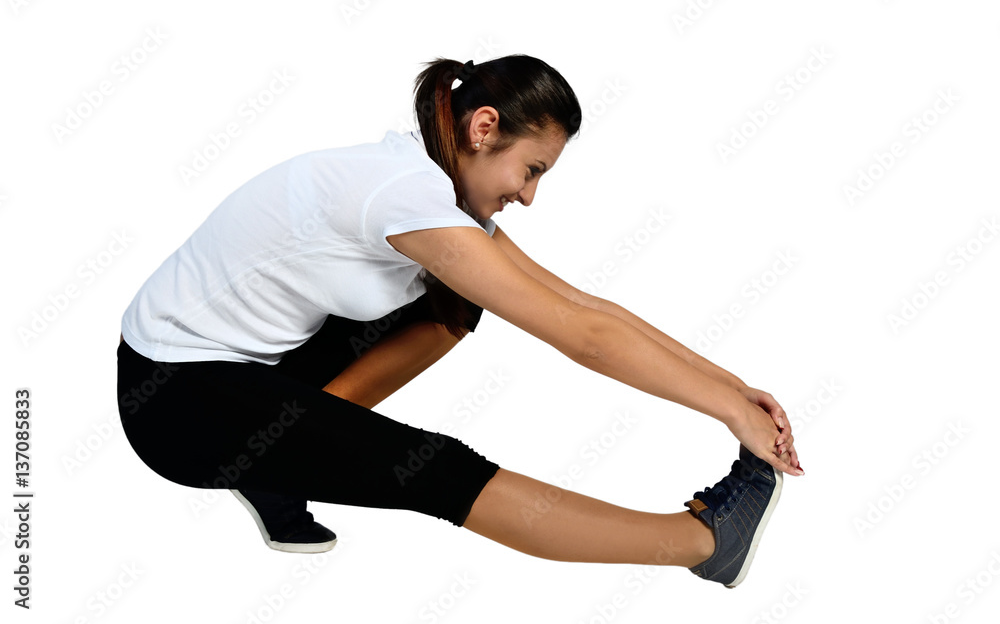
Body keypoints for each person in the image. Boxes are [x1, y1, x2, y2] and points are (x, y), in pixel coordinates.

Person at [116, 54, 802, 589]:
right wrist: (728, 415)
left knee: (461, 292)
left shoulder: (430, 180)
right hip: (174, 399)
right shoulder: (404, 194)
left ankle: (283, 466)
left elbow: (583, 305)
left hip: (250, 366)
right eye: (531, 169)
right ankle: (708, 544)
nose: (529, 196)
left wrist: (735, 392)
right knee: (437, 471)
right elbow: (583, 339)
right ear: (483, 128)